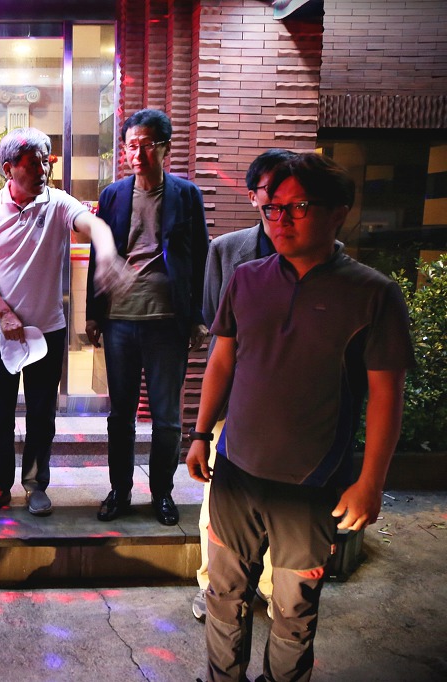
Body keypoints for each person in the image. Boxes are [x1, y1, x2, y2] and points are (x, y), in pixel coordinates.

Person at [186, 153, 413, 681]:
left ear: (338, 212)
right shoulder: (246, 279)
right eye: (272, 208)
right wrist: (199, 434)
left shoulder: (373, 294)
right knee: (224, 596)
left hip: (311, 483)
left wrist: (370, 482)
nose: (280, 219)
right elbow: (222, 360)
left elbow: (387, 395)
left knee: (292, 612)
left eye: (298, 207)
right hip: (235, 472)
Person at [0, 127, 128, 517]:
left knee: (42, 414)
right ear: (8, 168)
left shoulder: (58, 202)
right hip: (0, 331)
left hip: (48, 330)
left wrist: (107, 254)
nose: (42, 170)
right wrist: (4, 313)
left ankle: (36, 485)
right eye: (32, 163)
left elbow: (94, 225)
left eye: (45, 161)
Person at [87, 107, 209, 527]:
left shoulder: (186, 194)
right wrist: (93, 313)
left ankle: (162, 493)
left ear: (165, 148)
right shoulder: (113, 195)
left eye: (147, 145)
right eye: (131, 146)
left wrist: (197, 316)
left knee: (166, 417)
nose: (137, 154)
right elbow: (99, 255)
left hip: (167, 321)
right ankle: (119, 491)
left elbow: (200, 257)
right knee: (120, 416)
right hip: (120, 320)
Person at [191, 149, 296, 623]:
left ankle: (274, 589)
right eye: (269, 192)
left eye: (291, 196)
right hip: (235, 400)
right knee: (220, 501)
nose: (279, 204)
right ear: (254, 196)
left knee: (282, 505)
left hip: (293, 406)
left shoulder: (324, 257)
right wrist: (201, 425)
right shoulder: (226, 251)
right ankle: (213, 584)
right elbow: (219, 329)